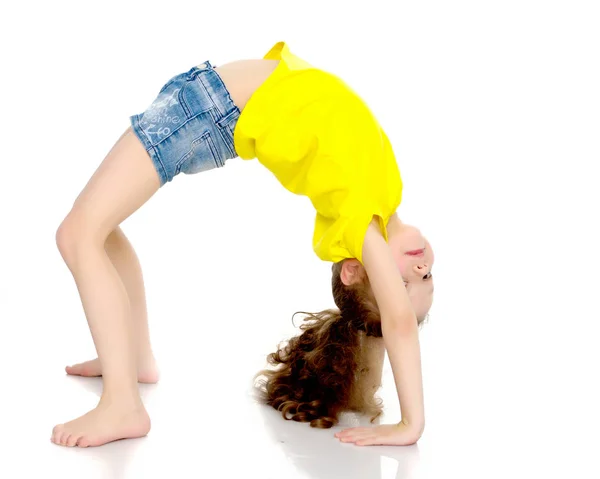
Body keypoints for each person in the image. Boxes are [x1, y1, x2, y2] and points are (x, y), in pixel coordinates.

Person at [52, 41, 434, 448]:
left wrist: (411, 423)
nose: (421, 271)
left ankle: (122, 404)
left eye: (404, 287)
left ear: (356, 271)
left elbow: (399, 323)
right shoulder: (384, 193)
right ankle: (133, 358)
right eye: (429, 277)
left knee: (78, 234)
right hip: (206, 102)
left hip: (206, 114)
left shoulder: (361, 226)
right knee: (101, 226)